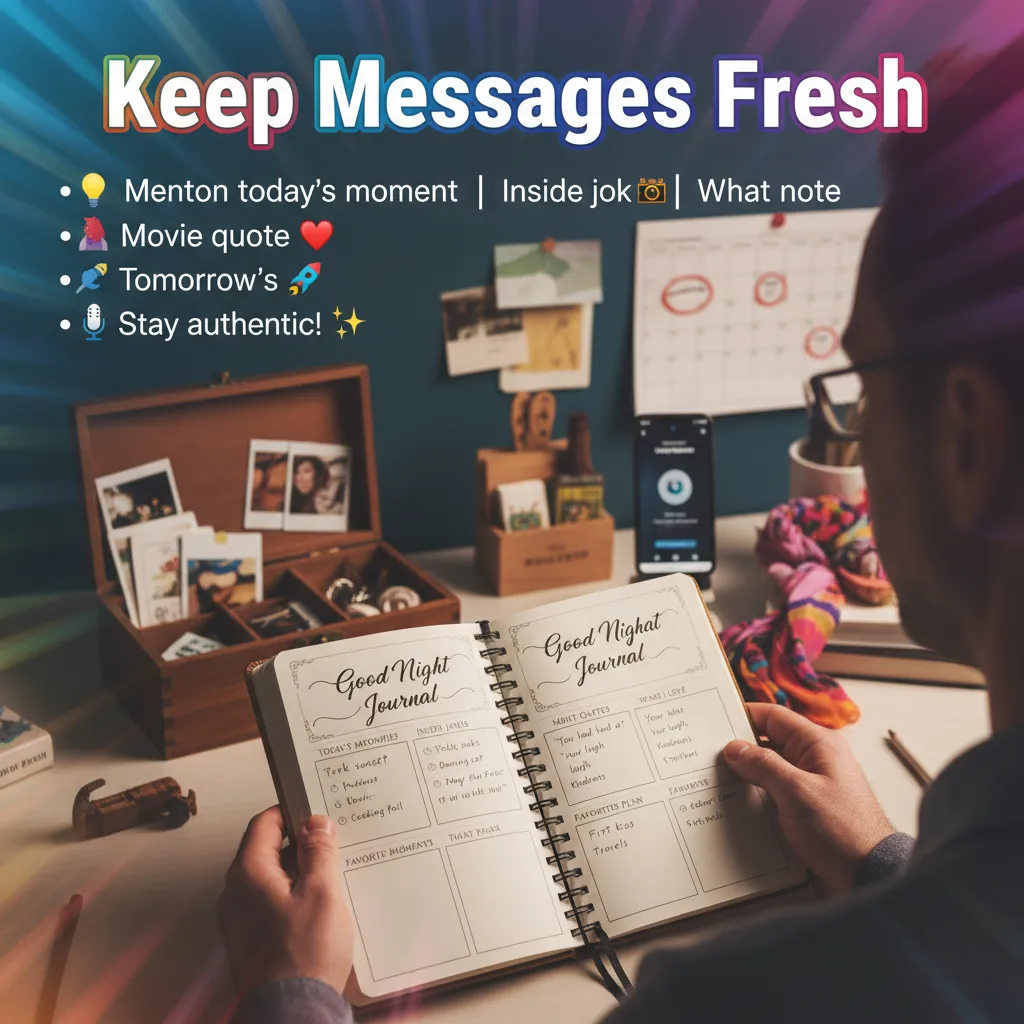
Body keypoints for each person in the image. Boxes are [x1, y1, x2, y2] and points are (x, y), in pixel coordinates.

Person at [217, 38, 1024, 1023]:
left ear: (968, 436)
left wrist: (286, 989)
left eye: (863, 380)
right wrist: (888, 871)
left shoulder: (724, 1001)